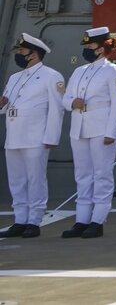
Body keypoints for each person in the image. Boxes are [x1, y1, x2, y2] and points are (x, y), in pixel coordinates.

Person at [61, 27, 116, 239]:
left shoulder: (112, 71)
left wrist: (110, 131)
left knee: (102, 174)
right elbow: (65, 98)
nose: (88, 49)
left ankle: (97, 220)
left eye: (90, 45)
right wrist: (72, 102)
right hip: (79, 127)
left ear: (101, 48)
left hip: (102, 127)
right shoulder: (79, 71)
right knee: (82, 175)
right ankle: (81, 219)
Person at [0, 34, 64, 239]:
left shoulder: (51, 76)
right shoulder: (15, 77)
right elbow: (6, 105)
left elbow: (57, 109)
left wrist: (51, 137)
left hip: (36, 136)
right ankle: (20, 219)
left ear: (33, 54)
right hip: (14, 135)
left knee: (35, 179)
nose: (18, 55)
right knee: (16, 180)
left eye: (21, 51)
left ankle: (34, 220)